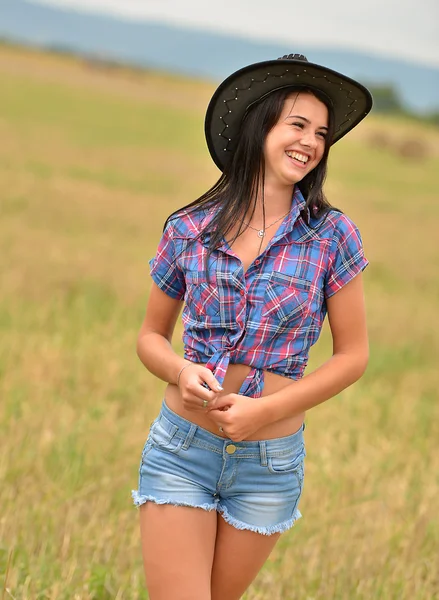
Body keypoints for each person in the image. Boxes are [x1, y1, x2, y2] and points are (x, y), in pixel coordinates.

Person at [132, 53, 373, 600]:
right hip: (183, 449)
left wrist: (264, 411)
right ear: (258, 125)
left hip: (269, 464)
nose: (310, 142)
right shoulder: (189, 227)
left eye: (321, 133)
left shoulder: (332, 236)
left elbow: (352, 356)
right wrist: (180, 369)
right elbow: (150, 337)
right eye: (297, 125)